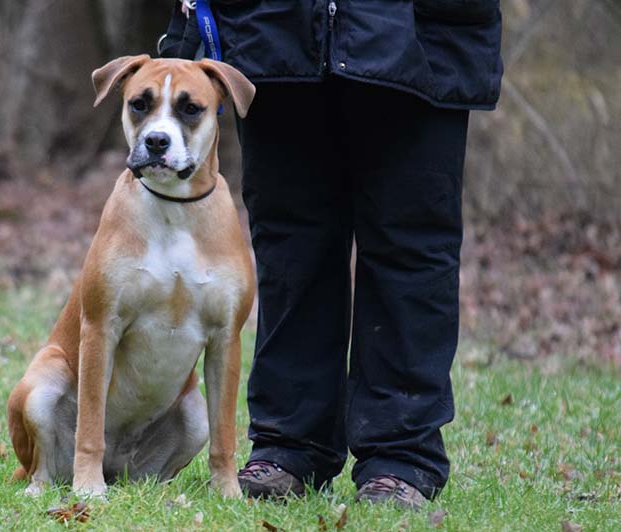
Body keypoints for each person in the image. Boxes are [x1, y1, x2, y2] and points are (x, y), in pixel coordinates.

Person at [161, 0, 503, 509]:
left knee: (411, 248)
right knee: (291, 245)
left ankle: (401, 456)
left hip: (423, 32)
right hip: (273, 27)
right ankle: (289, 446)